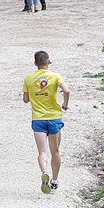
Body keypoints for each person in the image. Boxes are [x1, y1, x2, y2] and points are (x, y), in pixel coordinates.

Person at [22, 50, 69, 193]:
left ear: (35, 63)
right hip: (54, 118)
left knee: (42, 152)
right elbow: (67, 91)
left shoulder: (29, 78)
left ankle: (44, 172)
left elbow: (25, 99)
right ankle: (54, 180)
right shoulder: (55, 76)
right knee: (55, 151)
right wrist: (65, 104)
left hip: (38, 119)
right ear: (48, 61)